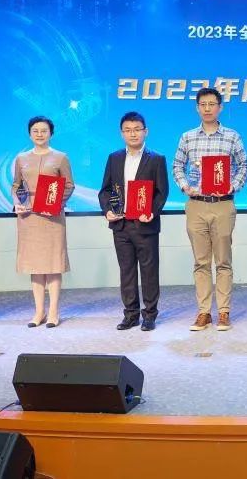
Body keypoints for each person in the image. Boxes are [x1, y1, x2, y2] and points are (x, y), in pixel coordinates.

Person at [173, 88, 247, 332]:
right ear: (197, 108)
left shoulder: (232, 136)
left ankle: (224, 311)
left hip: (223, 205)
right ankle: (204, 312)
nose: (207, 108)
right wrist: (185, 186)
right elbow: (177, 165)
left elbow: (244, 165)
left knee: (223, 261)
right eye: (203, 104)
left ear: (220, 107)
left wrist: (232, 185)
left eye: (212, 104)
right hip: (196, 204)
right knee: (201, 261)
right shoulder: (187, 137)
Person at [98, 112, 169, 332]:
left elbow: (162, 192)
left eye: (137, 129)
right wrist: (107, 211)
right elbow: (105, 190)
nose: (133, 134)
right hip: (121, 224)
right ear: (122, 133)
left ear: (145, 131)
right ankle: (130, 315)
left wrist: (152, 212)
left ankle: (149, 315)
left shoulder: (156, 159)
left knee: (149, 271)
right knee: (126, 271)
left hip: (145, 223)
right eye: (128, 130)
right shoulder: (114, 158)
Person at [12, 116, 75, 328]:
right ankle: (39, 312)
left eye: (44, 131)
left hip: (52, 218)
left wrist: (55, 204)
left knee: (53, 264)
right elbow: (16, 185)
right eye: (35, 131)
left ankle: (54, 312)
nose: (40, 134)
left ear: (51, 133)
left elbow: (69, 185)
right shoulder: (21, 158)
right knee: (35, 265)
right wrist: (17, 203)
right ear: (30, 134)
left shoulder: (60, 157)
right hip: (29, 217)